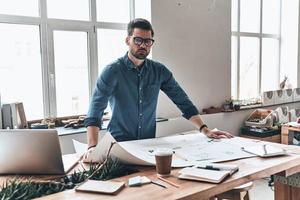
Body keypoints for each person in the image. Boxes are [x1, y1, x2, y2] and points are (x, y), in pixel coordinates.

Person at [83, 18, 233, 161]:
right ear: (127, 40)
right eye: (138, 40)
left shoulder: (159, 71)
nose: (143, 45)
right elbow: (96, 109)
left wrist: (205, 130)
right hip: (118, 147)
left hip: (147, 147)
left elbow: (183, 101)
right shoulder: (112, 71)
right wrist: (92, 146)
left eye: (148, 41)